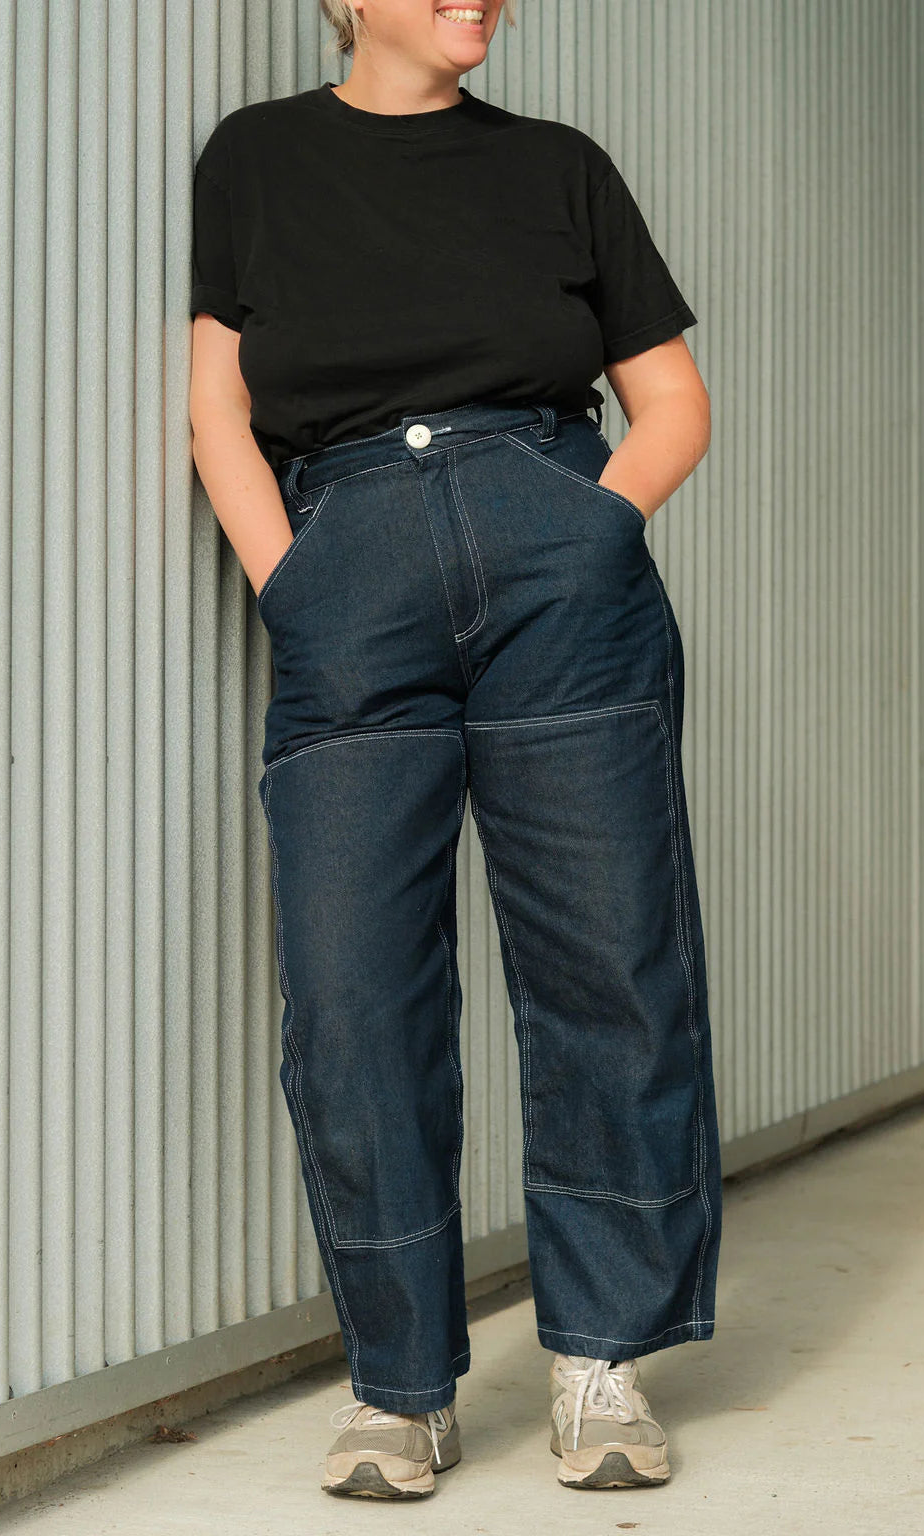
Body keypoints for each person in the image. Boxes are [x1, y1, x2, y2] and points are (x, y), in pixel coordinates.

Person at [189, 0, 722, 1502]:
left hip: (561, 554)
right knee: (354, 988)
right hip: (344, 570)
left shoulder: (560, 167)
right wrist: (290, 584)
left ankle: (602, 1360)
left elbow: (670, 399)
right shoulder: (256, 160)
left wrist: (596, 530)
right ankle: (399, 1386)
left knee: (610, 962)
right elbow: (218, 408)